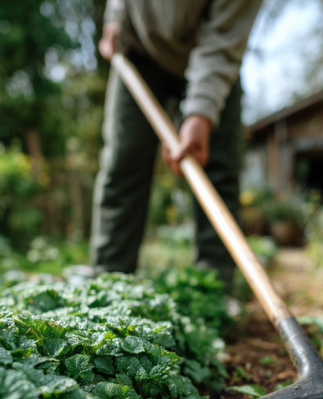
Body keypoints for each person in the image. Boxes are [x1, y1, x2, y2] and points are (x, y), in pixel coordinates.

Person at [92, 0, 262, 291]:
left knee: (216, 167)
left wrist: (201, 114)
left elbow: (223, 39)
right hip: (138, 52)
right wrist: (115, 18)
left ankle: (214, 288)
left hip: (213, 56)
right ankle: (108, 280)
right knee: (123, 160)